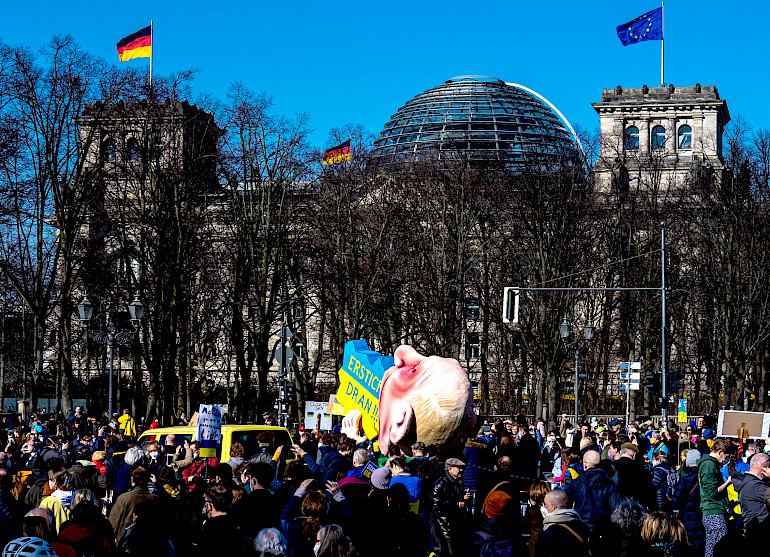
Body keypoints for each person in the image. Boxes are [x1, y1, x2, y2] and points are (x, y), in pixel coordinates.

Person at [563, 449, 621, 529]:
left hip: (583, 526)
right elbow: (615, 508)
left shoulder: (577, 483)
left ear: (585, 464)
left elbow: (566, 503)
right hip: (603, 527)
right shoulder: (609, 484)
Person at [698, 438, 731, 557]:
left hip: (712, 512)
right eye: (726, 455)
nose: (727, 459)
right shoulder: (709, 465)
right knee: (717, 549)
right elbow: (711, 492)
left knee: (712, 548)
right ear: (720, 451)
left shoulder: (709, 464)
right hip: (714, 512)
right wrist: (727, 482)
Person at [431, 458, 471, 556]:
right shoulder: (441, 483)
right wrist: (456, 504)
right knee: (449, 551)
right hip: (445, 524)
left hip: (455, 523)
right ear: (449, 469)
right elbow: (436, 504)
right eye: (458, 468)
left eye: (462, 468)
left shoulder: (457, 481)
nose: (461, 470)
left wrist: (463, 499)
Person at [534, 489, 589, 557]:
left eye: (546, 505)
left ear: (554, 508)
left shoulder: (549, 534)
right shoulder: (583, 527)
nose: (544, 507)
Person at [108, 466, 155, 540]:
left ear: (132, 481)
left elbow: (113, 522)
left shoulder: (124, 498)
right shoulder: (154, 498)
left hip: (126, 539)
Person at [672, 449, 705, 555]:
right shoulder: (704, 479)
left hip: (685, 519)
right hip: (701, 518)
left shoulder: (684, 480)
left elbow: (676, 502)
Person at [734, 451, 769, 548]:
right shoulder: (755, 486)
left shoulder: (748, 481)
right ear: (764, 467)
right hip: (760, 535)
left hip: (754, 533)